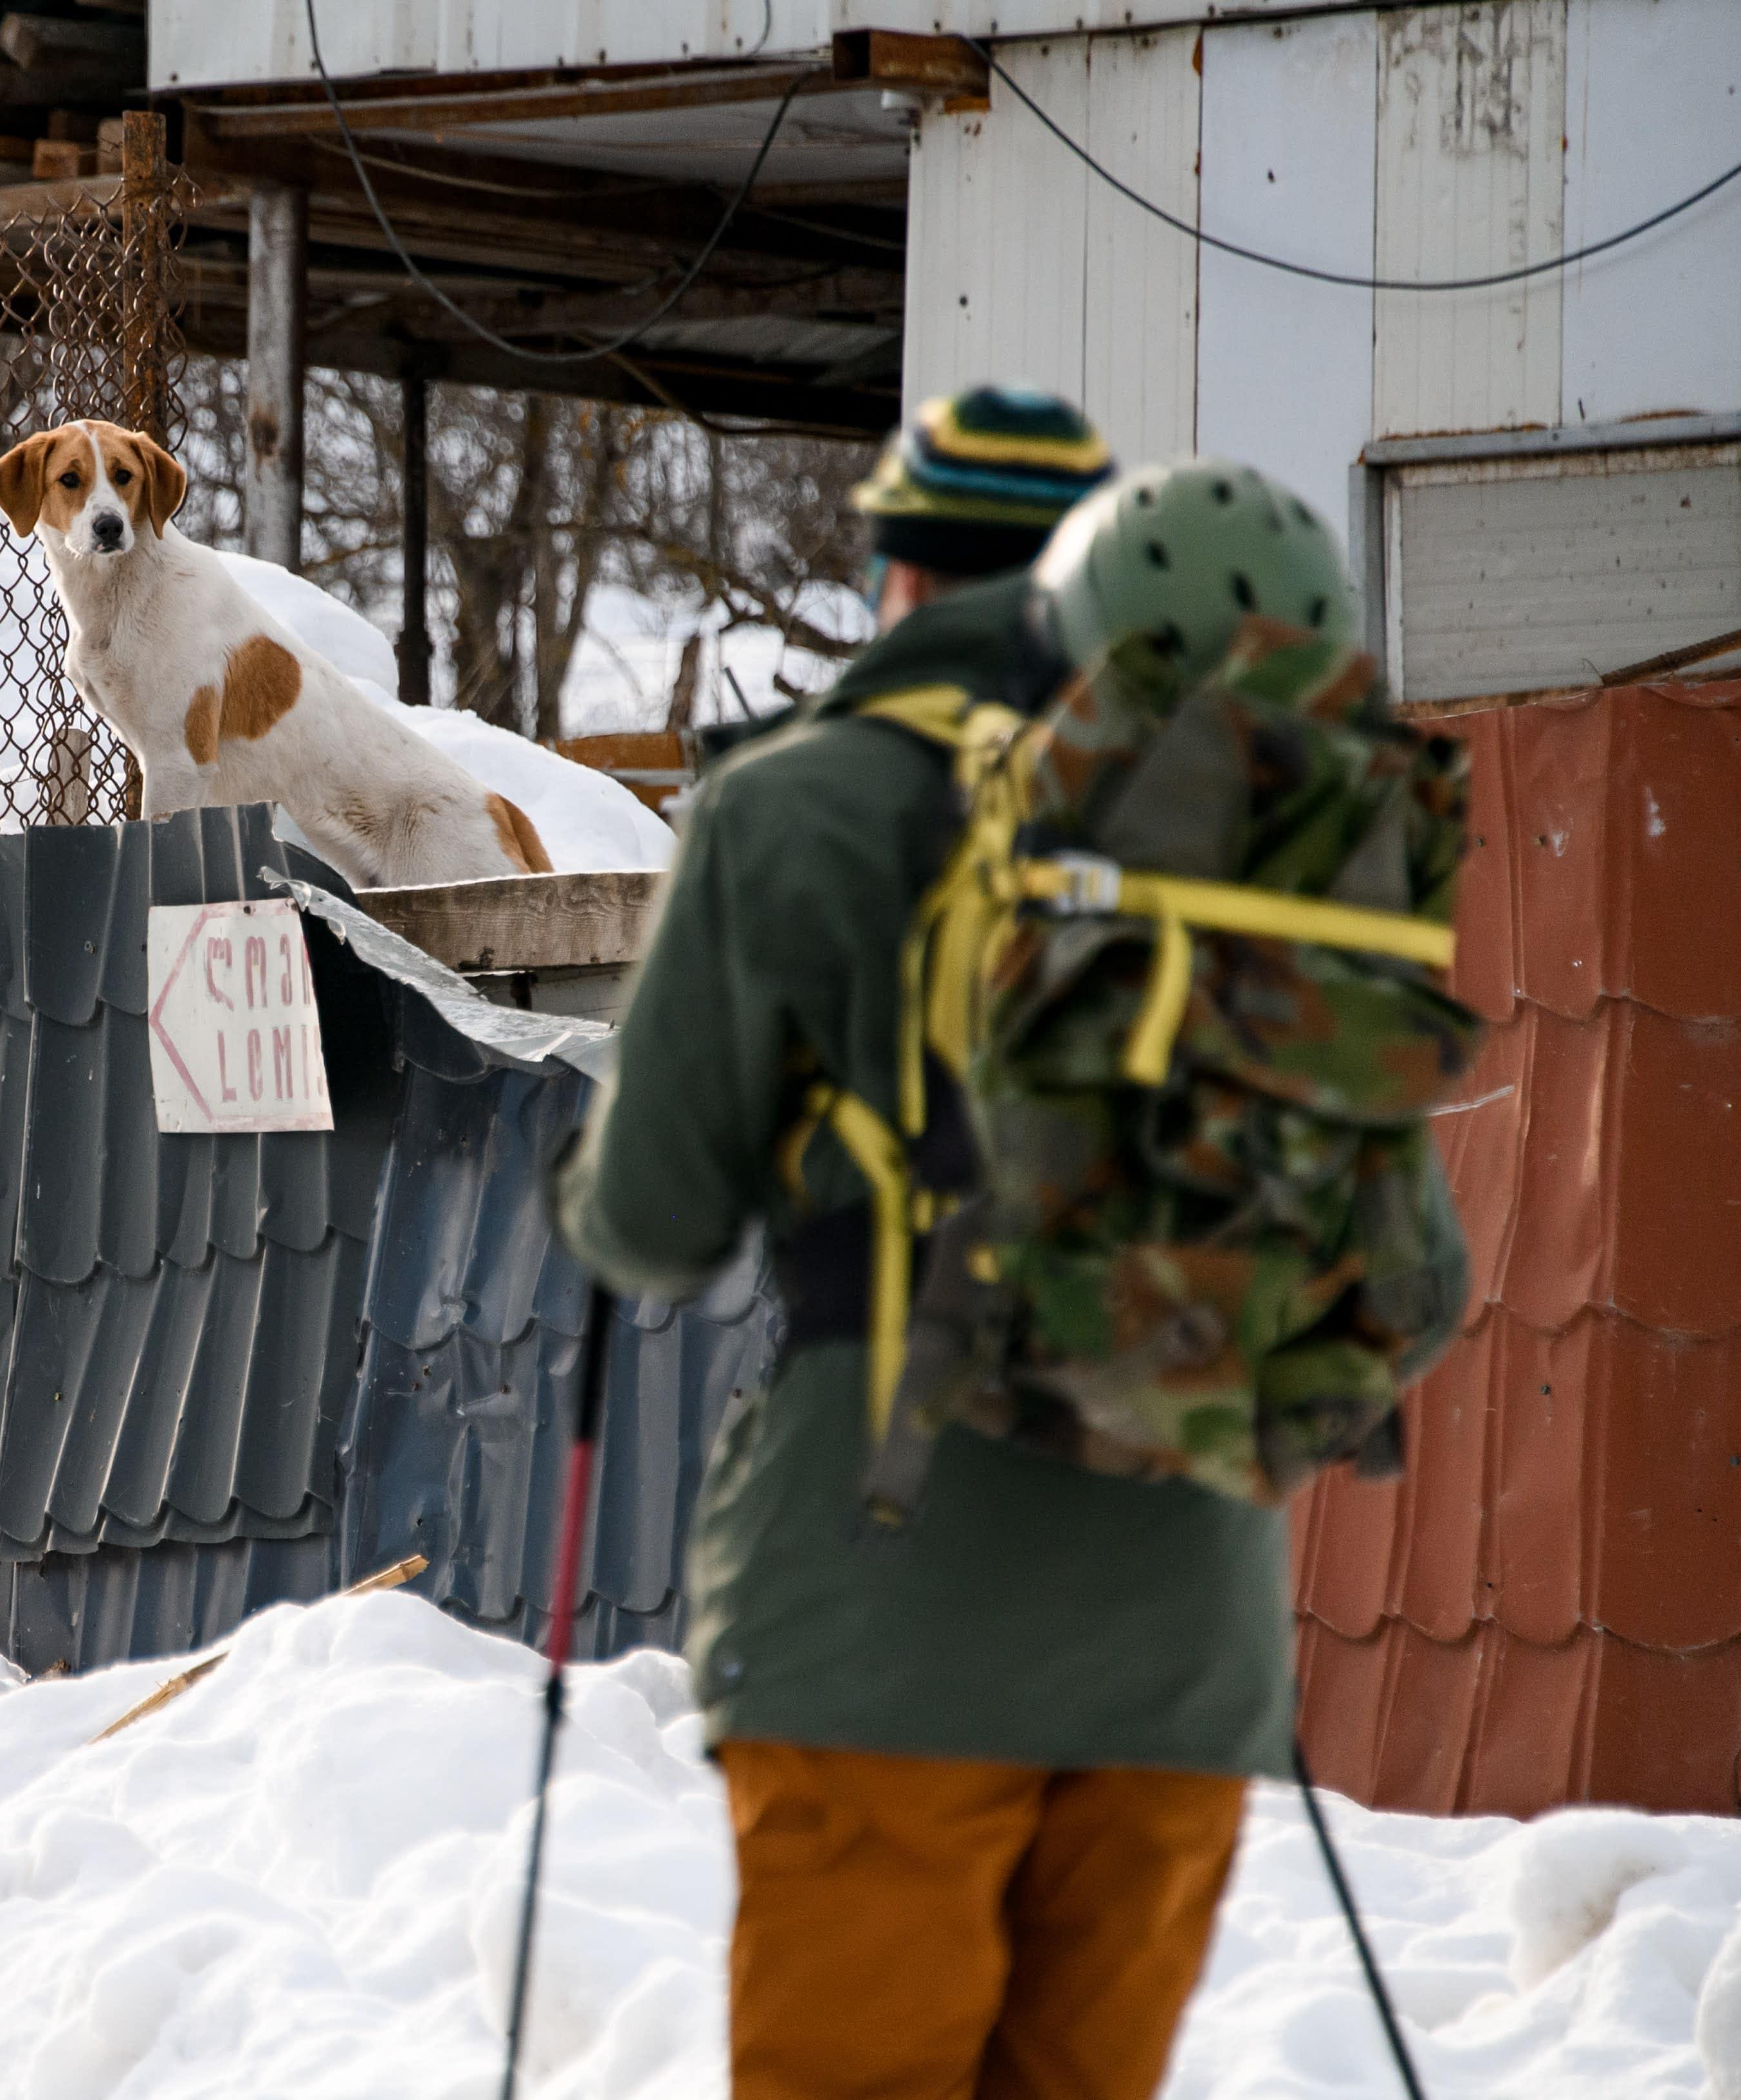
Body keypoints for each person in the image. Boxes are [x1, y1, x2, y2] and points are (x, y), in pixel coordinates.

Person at [560, 392, 1295, 2100]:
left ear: (897, 574)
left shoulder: (791, 807)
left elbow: (653, 1220)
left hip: (875, 1596)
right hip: (1184, 1623)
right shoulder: (1241, 811)